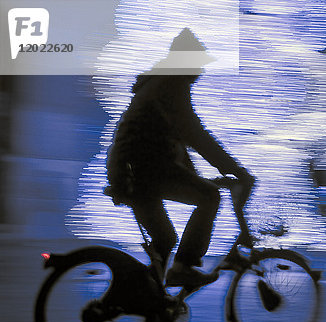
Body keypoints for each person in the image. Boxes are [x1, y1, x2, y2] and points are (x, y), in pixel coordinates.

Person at [106, 28, 255, 288]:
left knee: (165, 239)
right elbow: (195, 135)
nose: (202, 71)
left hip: (132, 169)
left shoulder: (161, 83)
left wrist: (204, 177)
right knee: (209, 197)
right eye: (199, 63)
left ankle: (150, 303)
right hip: (140, 170)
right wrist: (237, 171)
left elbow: (178, 146)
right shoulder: (171, 84)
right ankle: (183, 268)